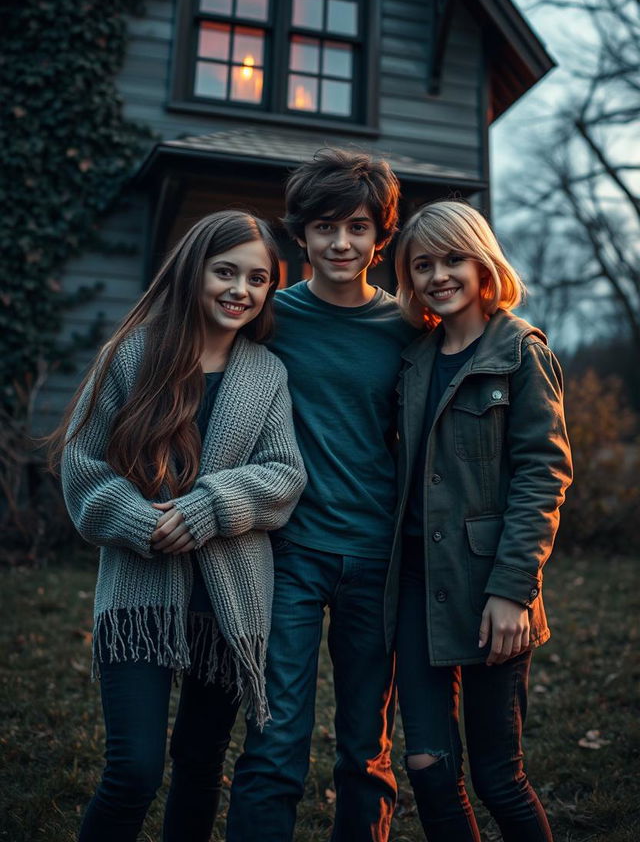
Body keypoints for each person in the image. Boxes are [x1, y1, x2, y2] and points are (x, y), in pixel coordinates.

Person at [52, 210, 307, 842]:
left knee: (198, 766)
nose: (239, 290)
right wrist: (140, 521)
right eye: (225, 272)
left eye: (258, 278)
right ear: (194, 271)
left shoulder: (266, 373)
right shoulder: (134, 355)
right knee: (132, 771)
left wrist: (209, 506)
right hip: (140, 597)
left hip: (227, 607)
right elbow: (82, 465)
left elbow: (284, 475)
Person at [227, 149, 417, 842]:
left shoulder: (407, 328)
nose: (342, 243)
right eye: (326, 227)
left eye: (359, 227)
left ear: (380, 237)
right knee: (275, 741)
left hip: (377, 559)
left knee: (366, 750)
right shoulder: (268, 317)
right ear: (299, 235)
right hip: (289, 555)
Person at [385, 199, 573, 841]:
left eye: (454, 258)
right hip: (415, 582)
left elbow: (543, 476)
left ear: (483, 263)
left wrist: (511, 591)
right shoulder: (412, 359)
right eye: (423, 264)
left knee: (498, 776)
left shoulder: (520, 351)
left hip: (492, 586)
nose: (440, 275)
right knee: (428, 766)